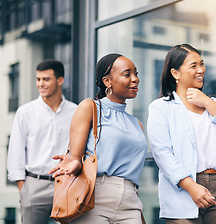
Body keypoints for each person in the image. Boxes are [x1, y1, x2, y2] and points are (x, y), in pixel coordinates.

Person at [147, 44, 216, 224]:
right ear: (175, 73)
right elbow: (162, 154)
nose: (201, 70)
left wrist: (208, 103)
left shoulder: (212, 104)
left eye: (202, 64)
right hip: (183, 187)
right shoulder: (161, 107)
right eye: (193, 66)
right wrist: (192, 187)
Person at [49, 54, 147, 224]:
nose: (135, 79)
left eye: (136, 74)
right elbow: (76, 156)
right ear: (107, 81)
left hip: (130, 201)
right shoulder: (90, 107)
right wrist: (73, 162)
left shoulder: (136, 123)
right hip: (95, 198)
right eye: (127, 74)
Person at [7, 59, 77, 224]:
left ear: (60, 80)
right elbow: (16, 150)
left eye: (46, 79)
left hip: (66, 185)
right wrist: (23, 189)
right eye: (38, 79)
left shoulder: (76, 111)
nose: (40, 84)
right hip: (34, 185)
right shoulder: (25, 112)